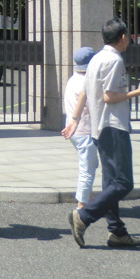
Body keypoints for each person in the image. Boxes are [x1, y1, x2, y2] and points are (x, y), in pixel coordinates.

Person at [69, 18, 140, 249]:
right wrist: (139, 90)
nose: (130, 40)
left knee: (111, 183)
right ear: (123, 37)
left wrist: (75, 119)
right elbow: (109, 96)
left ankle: (117, 232)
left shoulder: (96, 58)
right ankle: (83, 216)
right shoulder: (114, 60)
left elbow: (87, 92)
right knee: (124, 183)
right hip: (113, 125)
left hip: (99, 126)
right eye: (129, 36)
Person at [60, 46, 98, 209]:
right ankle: (82, 204)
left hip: (73, 129)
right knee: (87, 168)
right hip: (84, 130)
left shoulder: (72, 79)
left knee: (91, 164)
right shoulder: (86, 83)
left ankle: (86, 199)